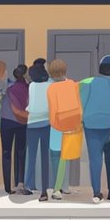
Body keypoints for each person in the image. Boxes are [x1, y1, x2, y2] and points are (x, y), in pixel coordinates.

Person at [80, 56, 110, 203]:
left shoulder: (87, 82)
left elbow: (82, 103)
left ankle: (96, 192)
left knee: (95, 159)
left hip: (91, 123)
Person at [46, 59, 82, 200]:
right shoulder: (73, 85)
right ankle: (64, 186)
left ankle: (57, 188)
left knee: (56, 157)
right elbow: (78, 104)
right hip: (73, 123)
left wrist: (54, 124)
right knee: (65, 157)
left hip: (57, 125)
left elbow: (53, 109)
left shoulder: (51, 88)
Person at [24, 61, 53, 201]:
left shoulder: (31, 86)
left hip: (32, 124)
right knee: (45, 158)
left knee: (31, 155)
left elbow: (32, 105)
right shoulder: (51, 85)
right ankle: (44, 191)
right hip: (47, 123)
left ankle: (27, 185)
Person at [2, 64, 30, 196]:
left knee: (6, 153)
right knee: (21, 153)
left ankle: (7, 187)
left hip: (6, 121)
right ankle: (20, 183)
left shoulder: (9, 87)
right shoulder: (28, 87)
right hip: (21, 123)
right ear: (24, 75)